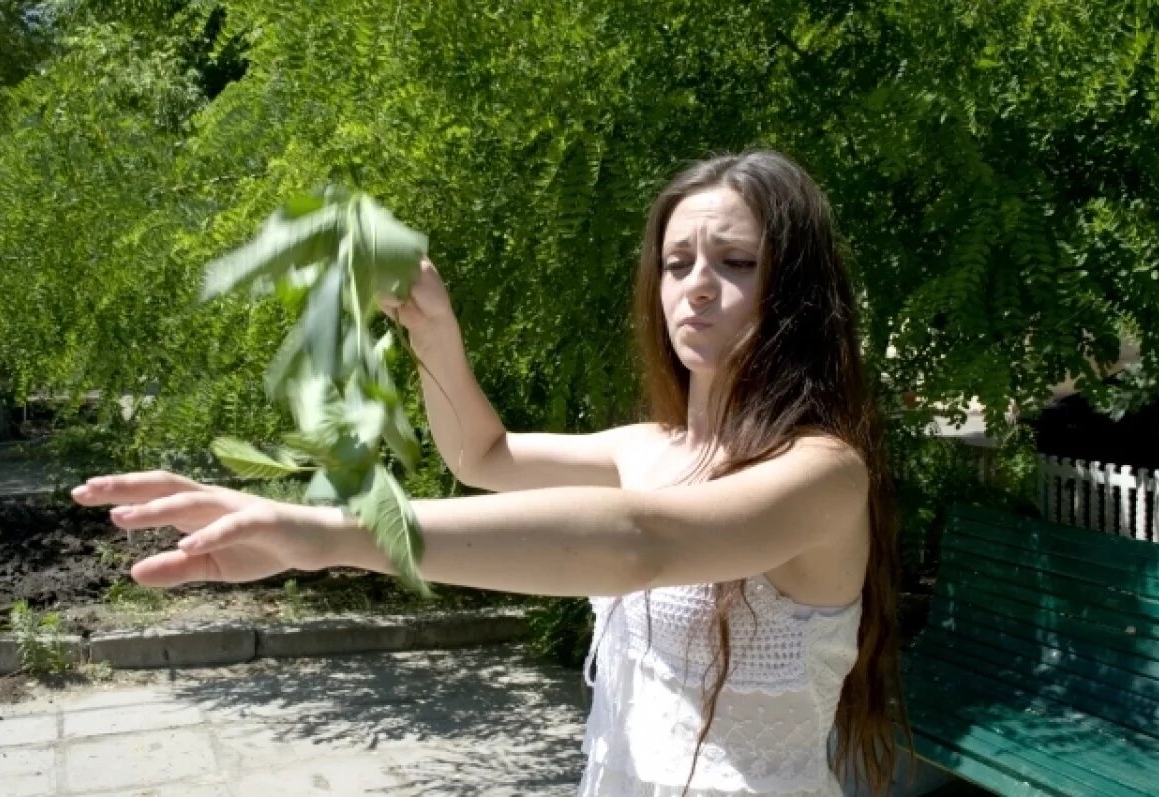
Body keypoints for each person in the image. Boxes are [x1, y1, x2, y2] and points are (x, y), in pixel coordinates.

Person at [71, 150, 907, 796]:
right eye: (676, 261)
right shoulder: (647, 447)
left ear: (796, 288)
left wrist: (322, 534)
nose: (696, 286)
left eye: (736, 261)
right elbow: (482, 457)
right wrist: (433, 329)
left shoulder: (823, 472)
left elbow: (639, 543)